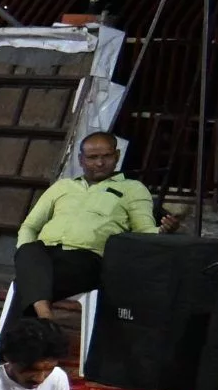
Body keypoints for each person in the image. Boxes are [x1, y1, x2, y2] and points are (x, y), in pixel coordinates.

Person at [10, 130, 176, 321]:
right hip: (43, 254)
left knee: (26, 282)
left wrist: (163, 231)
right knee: (28, 251)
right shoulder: (62, 186)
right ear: (81, 160)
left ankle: (38, 325)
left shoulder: (132, 189)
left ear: (117, 156)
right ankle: (45, 320)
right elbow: (30, 226)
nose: (100, 163)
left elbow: (144, 232)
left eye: (107, 156)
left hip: (86, 260)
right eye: (92, 157)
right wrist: (25, 255)